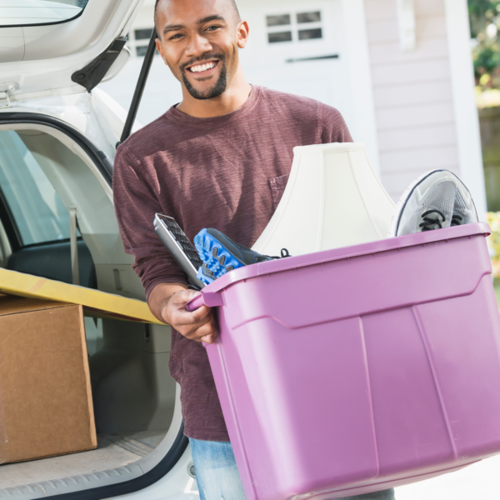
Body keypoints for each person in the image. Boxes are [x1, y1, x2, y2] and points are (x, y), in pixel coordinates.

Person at [113, 0, 395, 498]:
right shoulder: (140, 159)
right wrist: (175, 304)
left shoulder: (316, 124)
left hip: (335, 382)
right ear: (161, 50)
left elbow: (365, 238)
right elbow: (155, 268)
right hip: (224, 397)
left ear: (241, 32)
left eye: (211, 28)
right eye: (177, 35)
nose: (196, 47)